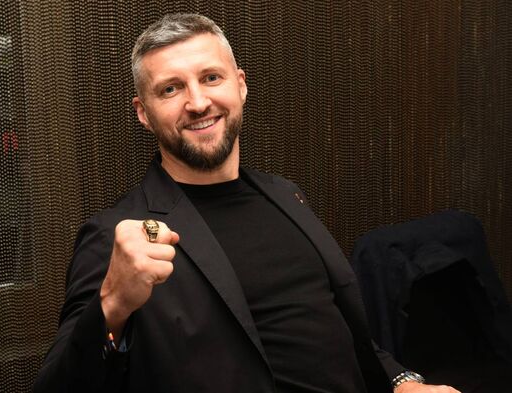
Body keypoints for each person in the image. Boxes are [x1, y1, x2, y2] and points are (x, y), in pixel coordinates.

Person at [34, 13, 461, 393]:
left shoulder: (285, 194)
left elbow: (333, 330)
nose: (198, 102)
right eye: (170, 89)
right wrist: (112, 302)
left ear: (240, 85)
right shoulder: (119, 235)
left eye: (211, 78)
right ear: (143, 113)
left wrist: (400, 382)